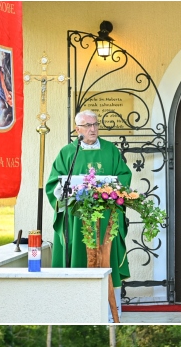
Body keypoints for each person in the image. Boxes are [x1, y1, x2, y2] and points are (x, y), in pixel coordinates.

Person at [45, 110, 132, 318]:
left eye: (95, 124)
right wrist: (66, 192)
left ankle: (112, 312)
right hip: (78, 220)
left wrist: (111, 189)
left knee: (107, 258)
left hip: (106, 218)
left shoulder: (111, 151)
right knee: (79, 256)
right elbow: (54, 185)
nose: (93, 129)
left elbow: (124, 177)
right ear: (78, 130)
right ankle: (76, 309)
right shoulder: (68, 153)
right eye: (88, 126)